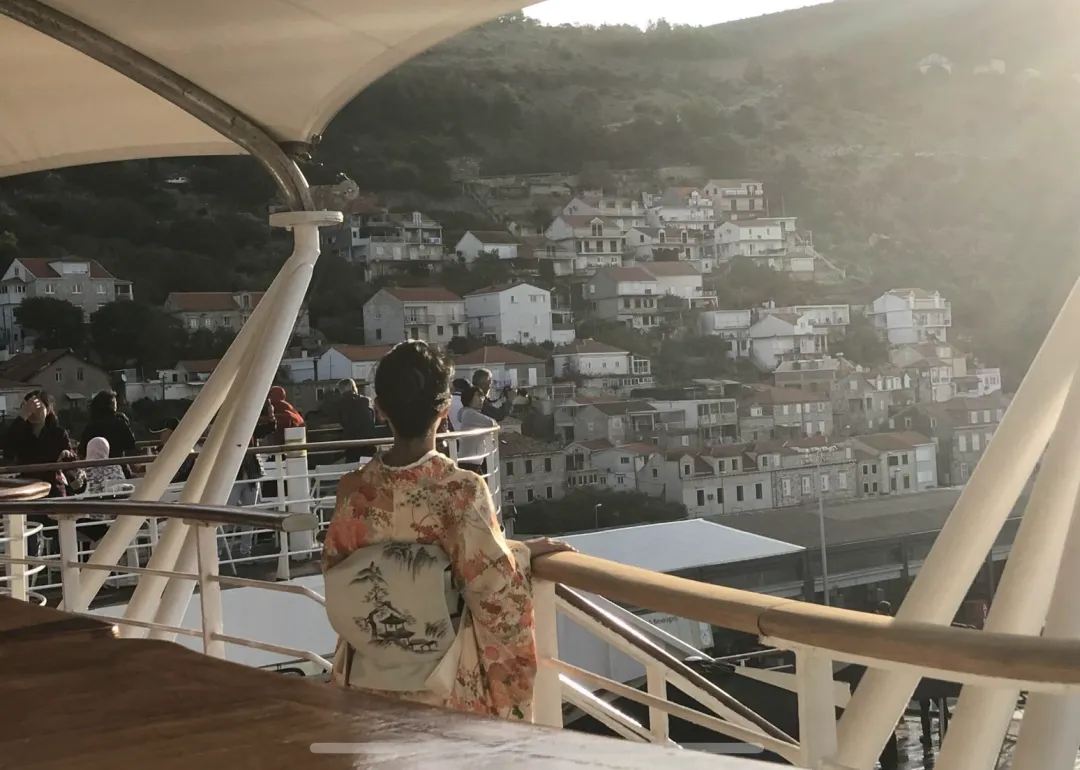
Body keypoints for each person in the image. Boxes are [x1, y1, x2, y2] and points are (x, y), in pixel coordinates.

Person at [322, 340, 572, 720]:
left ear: (379, 408)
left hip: (367, 688)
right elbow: (493, 587)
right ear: (443, 410)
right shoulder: (459, 489)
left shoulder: (353, 490)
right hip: (442, 688)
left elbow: (339, 575)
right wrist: (518, 554)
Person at [2, 391, 79, 554]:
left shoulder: (58, 433)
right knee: (29, 534)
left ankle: (60, 563)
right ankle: (33, 563)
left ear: (48, 409)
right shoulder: (21, 432)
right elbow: (7, 448)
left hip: (54, 488)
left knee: (59, 533)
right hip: (28, 490)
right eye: (29, 407)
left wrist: (66, 456)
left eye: (39, 407)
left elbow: (71, 461)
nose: (34, 412)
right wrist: (22, 416)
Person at [78, 390, 137, 473]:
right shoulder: (119, 423)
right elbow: (131, 445)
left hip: (94, 471)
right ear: (111, 405)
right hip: (118, 468)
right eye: (115, 403)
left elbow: (82, 450)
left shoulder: (90, 426)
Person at [454, 385, 497, 475]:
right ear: (469, 398)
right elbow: (491, 423)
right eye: (477, 396)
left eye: (482, 397)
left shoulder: (469, 413)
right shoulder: (469, 413)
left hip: (472, 462)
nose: (481, 399)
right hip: (469, 463)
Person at [335, 378, 377, 462]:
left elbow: (341, 421)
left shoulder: (339, 405)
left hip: (351, 445)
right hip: (369, 444)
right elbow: (374, 419)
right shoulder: (367, 401)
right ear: (353, 388)